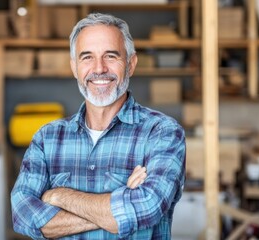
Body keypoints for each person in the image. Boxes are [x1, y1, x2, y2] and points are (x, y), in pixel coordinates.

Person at [11, 13, 186, 239]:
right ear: (74, 67)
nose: (99, 68)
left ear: (131, 64)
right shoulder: (47, 138)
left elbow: (147, 207)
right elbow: (22, 214)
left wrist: (59, 197)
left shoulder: (162, 133)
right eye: (87, 57)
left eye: (110, 56)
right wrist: (116, 206)